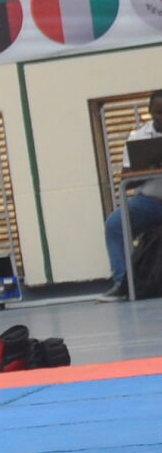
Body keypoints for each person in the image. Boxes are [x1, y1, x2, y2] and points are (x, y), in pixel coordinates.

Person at [100, 90, 162, 300]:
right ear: (150, 111)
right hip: (149, 202)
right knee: (115, 225)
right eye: (159, 112)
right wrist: (149, 168)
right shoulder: (138, 137)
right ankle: (123, 284)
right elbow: (126, 178)